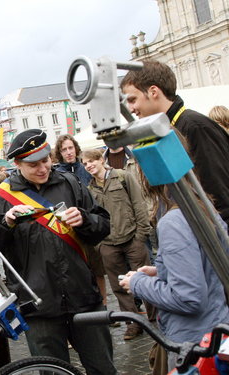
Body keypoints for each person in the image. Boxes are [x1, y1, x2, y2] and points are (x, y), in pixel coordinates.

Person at [0, 129, 116, 375]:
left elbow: (103, 225)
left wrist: (84, 220)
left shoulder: (71, 183)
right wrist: (5, 223)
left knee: (103, 369)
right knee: (52, 372)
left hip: (83, 297)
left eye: (45, 160)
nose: (42, 168)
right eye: (33, 164)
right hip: (38, 306)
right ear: (17, 164)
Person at [120, 165, 229, 371]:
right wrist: (161, 271)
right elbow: (209, 265)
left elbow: (189, 298)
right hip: (216, 331)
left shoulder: (173, 221)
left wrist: (137, 283)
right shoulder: (202, 206)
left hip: (193, 346)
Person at [121, 59, 229, 226]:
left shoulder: (195, 127)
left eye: (133, 99)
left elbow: (220, 194)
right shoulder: (169, 130)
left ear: (153, 91)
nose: (131, 109)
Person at [82, 148, 152, 340]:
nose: (88, 166)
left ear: (100, 160)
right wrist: (100, 245)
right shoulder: (90, 190)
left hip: (133, 238)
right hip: (108, 245)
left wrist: (141, 234)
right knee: (120, 287)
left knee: (145, 280)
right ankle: (133, 324)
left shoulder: (122, 177)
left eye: (91, 161)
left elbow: (139, 204)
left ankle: (157, 318)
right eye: (85, 163)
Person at [54, 135, 107, 306]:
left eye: (70, 148)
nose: (68, 152)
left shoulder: (85, 167)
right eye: (64, 149)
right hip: (69, 225)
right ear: (59, 153)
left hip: (89, 220)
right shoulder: (57, 173)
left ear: (75, 148)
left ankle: (104, 303)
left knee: (97, 268)